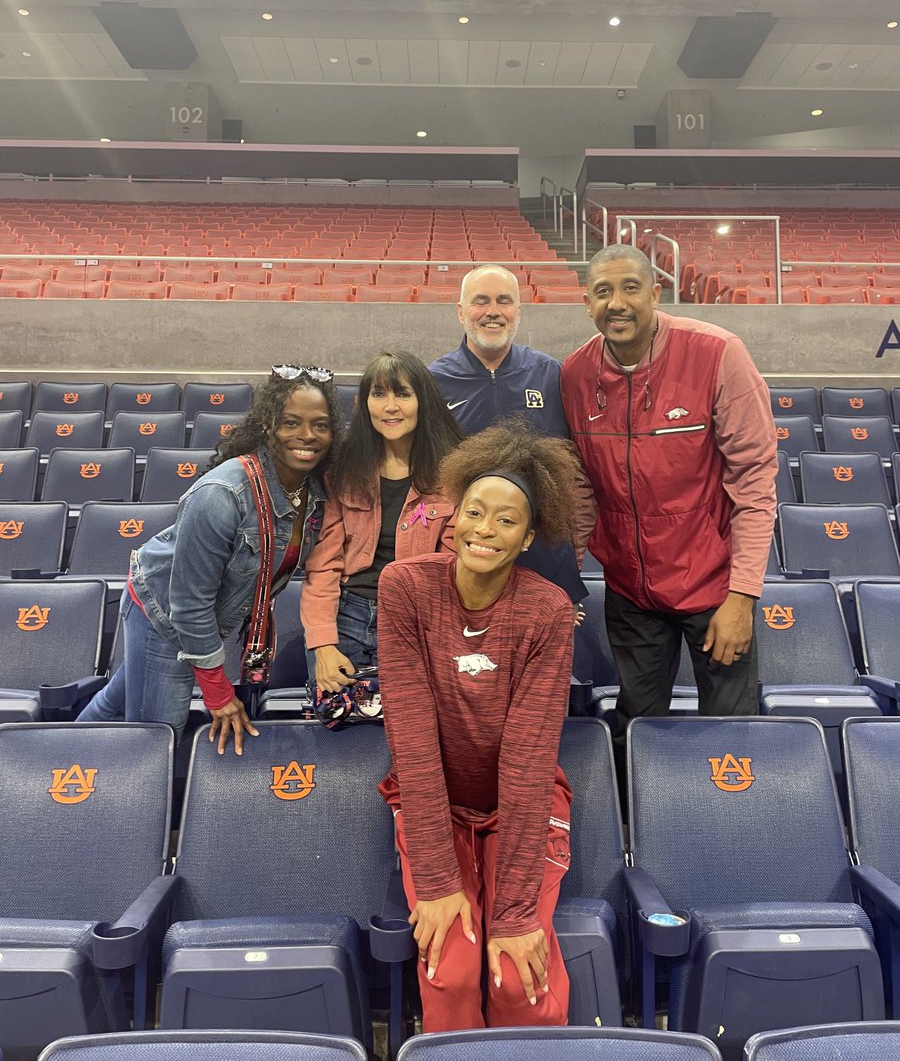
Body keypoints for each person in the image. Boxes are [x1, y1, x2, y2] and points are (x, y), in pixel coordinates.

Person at [377, 424, 581, 1033]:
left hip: (524, 804)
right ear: (453, 517)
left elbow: (527, 763)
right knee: (453, 970)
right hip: (436, 803)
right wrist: (439, 882)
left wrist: (516, 915)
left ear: (526, 539)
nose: (484, 531)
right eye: (474, 512)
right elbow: (412, 741)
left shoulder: (546, 611)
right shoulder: (405, 588)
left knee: (516, 979)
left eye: (506, 521)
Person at [560, 243, 777, 754]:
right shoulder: (574, 375)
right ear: (587, 303)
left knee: (730, 736)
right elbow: (579, 490)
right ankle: (638, 828)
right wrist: (567, 580)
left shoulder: (719, 353)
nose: (617, 303)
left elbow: (755, 484)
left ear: (656, 293)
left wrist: (742, 596)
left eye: (631, 288)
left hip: (715, 588)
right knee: (637, 728)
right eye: (603, 292)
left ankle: (722, 832)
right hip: (632, 594)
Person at [78, 366, 340, 755]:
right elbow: (188, 604)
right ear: (268, 426)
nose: (307, 435)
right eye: (291, 422)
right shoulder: (223, 493)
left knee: (115, 703)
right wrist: (217, 691)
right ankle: (95, 795)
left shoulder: (316, 486)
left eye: (320, 425)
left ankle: (63, 755)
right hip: (164, 614)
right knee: (156, 737)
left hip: (198, 611)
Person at [300, 349, 465, 696]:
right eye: (379, 394)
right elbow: (324, 564)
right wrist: (323, 645)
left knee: (410, 732)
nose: (390, 406)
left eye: (402, 393)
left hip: (416, 618)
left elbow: (450, 572)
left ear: (423, 401)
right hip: (347, 614)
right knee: (340, 723)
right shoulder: (343, 470)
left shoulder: (453, 473)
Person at [429, 264, 595, 603]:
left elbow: (577, 472)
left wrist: (572, 550)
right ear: (461, 312)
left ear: (518, 312)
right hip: (465, 554)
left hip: (545, 558)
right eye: (481, 301)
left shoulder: (551, 374)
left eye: (504, 301)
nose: (492, 312)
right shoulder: (433, 382)